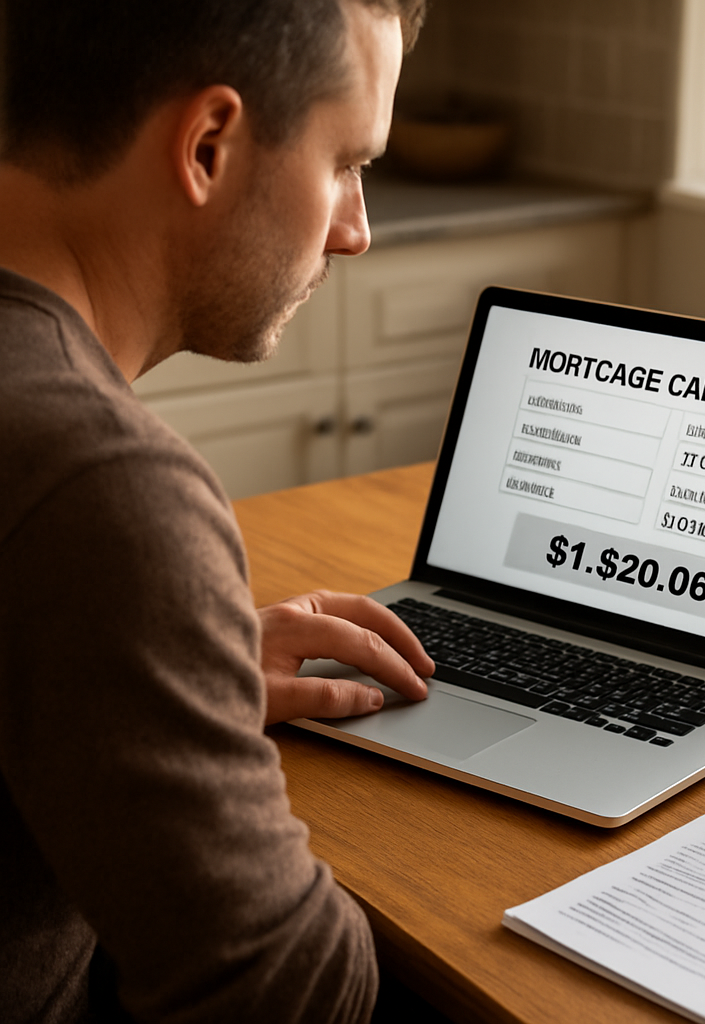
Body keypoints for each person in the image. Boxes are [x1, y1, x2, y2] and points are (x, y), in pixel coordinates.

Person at [0, 1, 437, 1021]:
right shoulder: (99, 484)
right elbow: (287, 995)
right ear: (207, 145)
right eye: (344, 161)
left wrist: (162, 675)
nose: (356, 229)